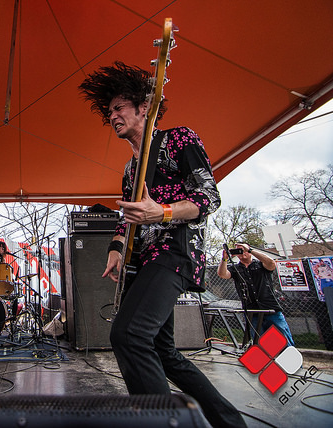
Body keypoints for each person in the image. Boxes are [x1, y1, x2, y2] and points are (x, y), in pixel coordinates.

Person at [79, 62, 246, 427]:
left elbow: (209, 197)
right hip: (145, 260)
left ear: (144, 107)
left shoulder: (178, 139)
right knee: (162, 349)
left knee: (129, 335)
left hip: (175, 251)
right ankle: (230, 423)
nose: (113, 116)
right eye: (109, 112)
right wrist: (116, 249)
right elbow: (127, 218)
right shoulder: (130, 169)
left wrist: (163, 212)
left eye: (119, 108)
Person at [217, 243, 295, 346]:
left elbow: (271, 263)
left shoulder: (260, 265)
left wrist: (250, 250)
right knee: (260, 342)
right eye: (239, 251)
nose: (242, 253)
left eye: (243, 250)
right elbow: (222, 274)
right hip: (252, 312)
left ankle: (289, 355)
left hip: (270, 308)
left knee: (283, 338)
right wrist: (224, 259)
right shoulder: (235, 269)